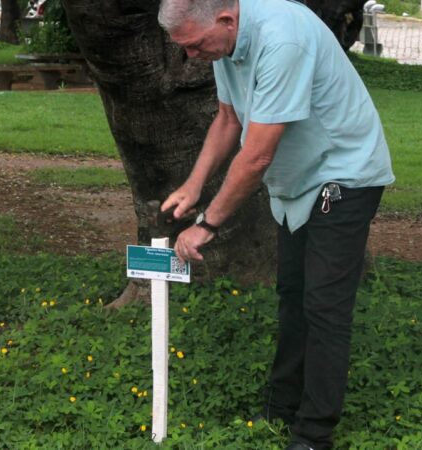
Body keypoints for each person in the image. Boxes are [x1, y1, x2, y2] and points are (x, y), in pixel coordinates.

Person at [157, 0, 394, 448]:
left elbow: (258, 155)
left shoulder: (282, 38)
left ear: (226, 19)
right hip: (300, 180)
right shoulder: (225, 44)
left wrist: (206, 224)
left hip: (343, 171)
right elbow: (229, 119)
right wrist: (193, 185)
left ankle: (313, 432)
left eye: (194, 45)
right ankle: (281, 408)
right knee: (292, 293)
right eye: (185, 48)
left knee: (324, 305)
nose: (191, 57)